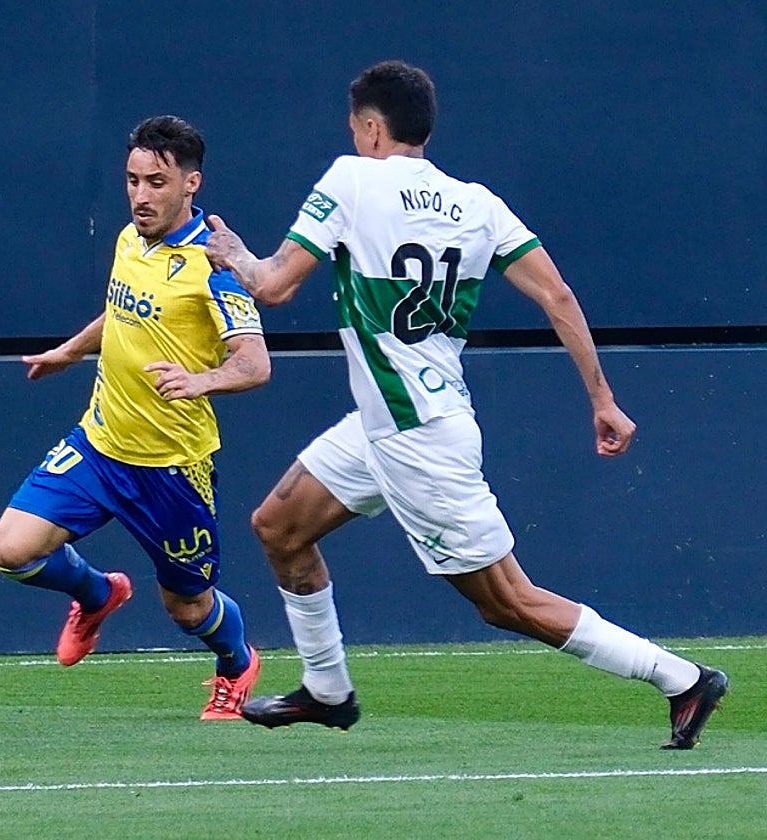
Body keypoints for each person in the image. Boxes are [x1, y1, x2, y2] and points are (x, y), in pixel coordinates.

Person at [204, 60, 728, 748]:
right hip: (393, 421)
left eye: (356, 126)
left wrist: (236, 255)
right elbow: (557, 295)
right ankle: (327, 690)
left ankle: (682, 678)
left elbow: (274, 287)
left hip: (417, 437)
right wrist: (602, 398)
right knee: (279, 527)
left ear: (370, 128)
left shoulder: (352, 178)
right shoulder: (477, 203)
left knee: (508, 602)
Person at [0, 115, 270, 720]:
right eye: (133, 180)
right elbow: (123, 313)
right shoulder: (129, 240)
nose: (141, 196)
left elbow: (254, 363)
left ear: (191, 183)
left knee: (188, 609)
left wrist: (201, 381)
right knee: (11, 551)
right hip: (99, 444)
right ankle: (97, 594)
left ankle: (237, 662)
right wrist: (70, 351)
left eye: (156, 183)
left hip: (171, 468)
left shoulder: (215, 265)